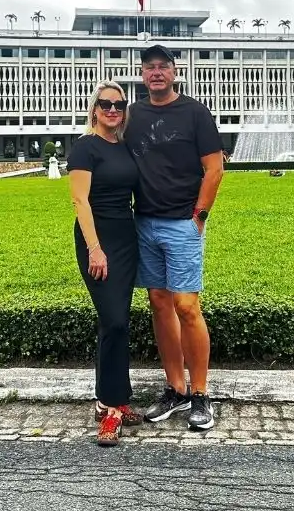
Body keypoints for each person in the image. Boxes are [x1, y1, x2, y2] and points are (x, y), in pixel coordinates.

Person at [125, 44, 224, 431]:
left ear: (174, 72)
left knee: (187, 306)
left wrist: (199, 216)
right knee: (159, 304)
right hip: (144, 222)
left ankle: (200, 393)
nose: (156, 73)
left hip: (183, 223)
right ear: (142, 73)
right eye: (149, 67)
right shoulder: (132, 114)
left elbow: (214, 169)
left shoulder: (195, 113)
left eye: (162, 66)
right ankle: (175, 388)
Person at [68, 81, 142, 446]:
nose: (113, 109)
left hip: (126, 238)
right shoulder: (85, 147)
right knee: (114, 320)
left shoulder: (125, 147)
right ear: (94, 109)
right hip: (97, 239)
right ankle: (113, 411)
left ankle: (108, 398)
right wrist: (95, 249)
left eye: (119, 104)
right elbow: (80, 202)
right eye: (106, 104)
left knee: (115, 322)